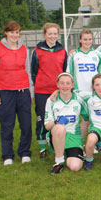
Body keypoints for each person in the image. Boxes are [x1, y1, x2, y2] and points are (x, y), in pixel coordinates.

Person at [0, 21, 33, 165]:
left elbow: (28, 72)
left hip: (23, 91)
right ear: (6, 33)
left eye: (17, 32)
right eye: (12, 32)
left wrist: (30, 93)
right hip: (5, 92)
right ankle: (7, 155)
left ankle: (25, 152)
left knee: (26, 125)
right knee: (7, 125)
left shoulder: (24, 49)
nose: (15, 35)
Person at [31, 22, 68, 159]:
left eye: (55, 33)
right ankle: (42, 147)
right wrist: (37, 87)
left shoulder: (62, 51)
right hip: (41, 91)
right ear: (45, 34)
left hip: (58, 91)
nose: (53, 36)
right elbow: (33, 72)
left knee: (58, 118)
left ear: (58, 35)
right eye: (50, 33)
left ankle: (56, 142)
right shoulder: (37, 50)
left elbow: (64, 71)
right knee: (42, 118)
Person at [44, 73, 88, 174]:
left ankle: (72, 152)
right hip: (57, 134)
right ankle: (58, 162)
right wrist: (57, 122)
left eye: (68, 83)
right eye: (62, 83)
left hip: (73, 137)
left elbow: (86, 120)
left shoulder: (79, 99)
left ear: (73, 84)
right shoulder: (51, 100)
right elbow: (47, 126)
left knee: (75, 167)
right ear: (57, 84)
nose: (65, 86)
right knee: (60, 128)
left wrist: (81, 138)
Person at [67, 28, 101, 92]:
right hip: (78, 92)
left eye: (90, 39)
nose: (88, 42)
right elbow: (69, 73)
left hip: (94, 91)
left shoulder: (98, 55)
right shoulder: (73, 55)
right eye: (85, 39)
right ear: (80, 40)